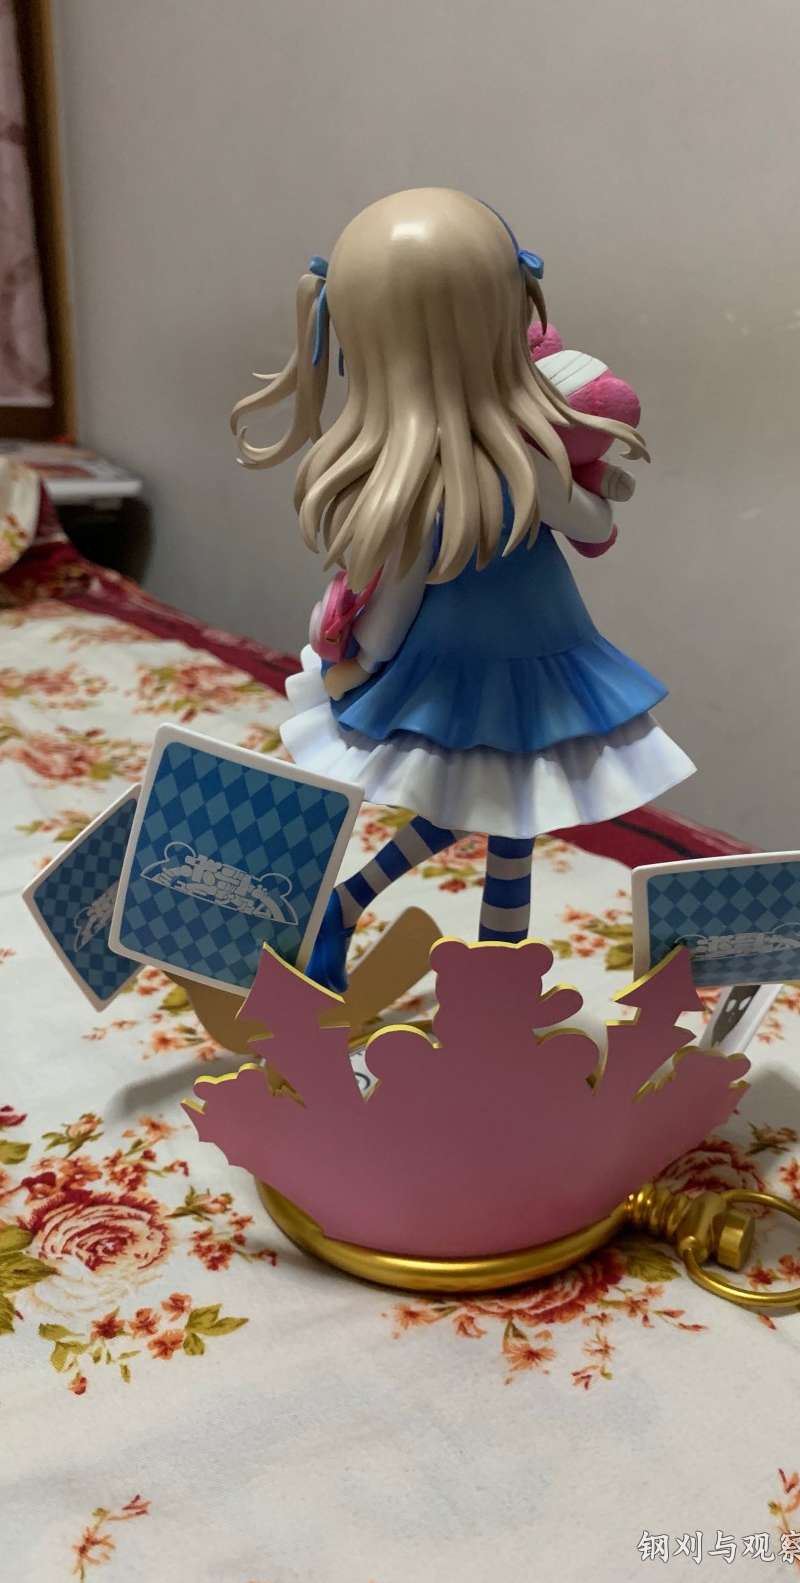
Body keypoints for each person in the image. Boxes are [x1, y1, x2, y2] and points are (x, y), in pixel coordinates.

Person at [230, 188, 694, 991]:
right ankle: (450, 965)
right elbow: (581, 527)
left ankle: (421, 949)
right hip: (503, 663)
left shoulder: (447, 473)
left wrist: (362, 659)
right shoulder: (497, 467)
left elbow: (396, 603)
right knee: (496, 819)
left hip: (518, 662)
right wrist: (569, 481)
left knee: (497, 817)